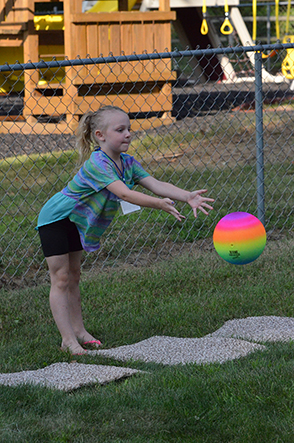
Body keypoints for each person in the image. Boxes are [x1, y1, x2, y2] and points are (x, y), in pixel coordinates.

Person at [37, 105, 214, 355]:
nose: (128, 134)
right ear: (100, 135)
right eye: (120, 130)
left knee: (74, 275)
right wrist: (159, 205)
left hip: (77, 220)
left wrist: (187, 196)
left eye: (129, 128)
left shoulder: (128, 162)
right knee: (61, 278)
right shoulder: (99, 163)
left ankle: (79, 331)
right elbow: (123, 193)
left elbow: (155, 184)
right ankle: (68, 340)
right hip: (57, 218)